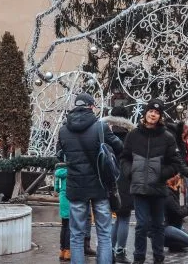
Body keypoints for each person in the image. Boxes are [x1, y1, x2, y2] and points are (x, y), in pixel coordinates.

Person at [120, 99, 188, 264]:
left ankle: (159, 258)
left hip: (158, 189)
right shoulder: (133, 135)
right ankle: (139, 258)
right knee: (141, 225)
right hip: (139, 187)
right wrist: (131, 172)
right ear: (146, 113)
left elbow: (174, 162)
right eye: (151, 111)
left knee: (158, 226)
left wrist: (161, 174)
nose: (153, 114)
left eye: (157, 113)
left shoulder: (167, 137)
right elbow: (124, 158)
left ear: (160, 116)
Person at [56, 92, 123, 264]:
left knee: (76, 235)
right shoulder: (100, 127)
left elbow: (59, 155)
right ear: (92, 106)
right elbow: (119, 147)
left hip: (76, 187)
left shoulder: (63, 130)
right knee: (104, 233)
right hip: (100, 186)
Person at [105, 105, 136, 263]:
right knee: (123, 218)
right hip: (125, 182)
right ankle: (120, 252)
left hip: (108, 182)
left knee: (114, 218)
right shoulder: (132, 137)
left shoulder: (105, 135)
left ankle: (109, 250)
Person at [162, 174, 188, 254]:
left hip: (169, 224)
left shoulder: (171, 192)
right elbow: (179, 213)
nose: (181, 185)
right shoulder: (168, 194)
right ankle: (162, 242)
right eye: (179, 183)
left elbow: (176, 212)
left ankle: (172, 242)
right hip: (164, 227)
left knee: (183, 233)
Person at [54, 162, 71, 262]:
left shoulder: (58, 173)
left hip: (62, 199)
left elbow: (57, 188)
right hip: (69, 199)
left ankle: (62, 251)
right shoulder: (70, 172)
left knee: (64, 226)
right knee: (69, 227)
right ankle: (68, 251)